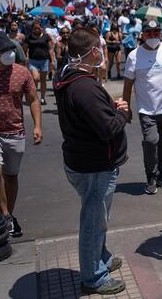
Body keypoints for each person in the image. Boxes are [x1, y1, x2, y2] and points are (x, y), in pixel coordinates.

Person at [54, 28, 130, 295]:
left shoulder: (69, 77)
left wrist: (111, 110)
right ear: (93, 52)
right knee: (94, 221)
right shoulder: (84, 87)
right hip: (94, 166)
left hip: (84, 161)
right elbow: (108, 128)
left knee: (99, 218)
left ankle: (102, 257)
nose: (103, 53)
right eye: (99, 48)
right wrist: (122, 113)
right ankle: (93, 276)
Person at [123, 20, 162, 195]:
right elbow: (128, 84)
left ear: (161, 33)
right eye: (149, 33)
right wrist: (126, 108)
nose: (153, 36)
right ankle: (151, 176)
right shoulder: (134, 56)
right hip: (146, 110)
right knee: (151, 141)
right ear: (142, 35)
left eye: (156, 32)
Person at [0, 32, 42, 238]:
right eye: (3, 51)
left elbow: (33, 100)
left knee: (10, 176)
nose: (9, 54)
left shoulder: (22, 73)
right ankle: (4, 214)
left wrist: (37, 126)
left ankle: (9, 215)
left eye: (9, 50)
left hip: (15, 132)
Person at [23, 20, 55, 105]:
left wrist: (52, 61)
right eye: (35, 28)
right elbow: (25, 49)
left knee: (43, 80)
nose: (37, 30)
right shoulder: (28, 37)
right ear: (32, 29)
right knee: (35, 78)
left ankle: (42, 98)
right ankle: (34, 97)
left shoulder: (46, 37)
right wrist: (26, 58)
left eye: (38, 28)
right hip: (33, 61)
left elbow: (50, 49)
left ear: (41, 27)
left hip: (44, 61)